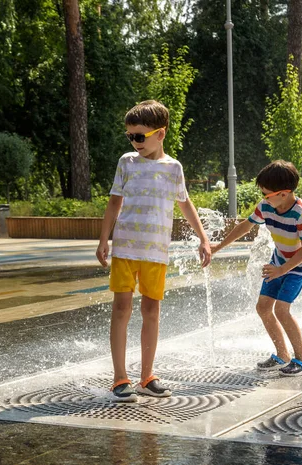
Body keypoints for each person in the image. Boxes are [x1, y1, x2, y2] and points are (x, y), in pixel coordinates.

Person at [96, 100, 212, 402]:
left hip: (156, 252)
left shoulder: (173, 168)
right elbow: (114, 202)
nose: (135, 143)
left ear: (160, 134)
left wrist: (203, 238)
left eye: (140, 136)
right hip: (126, 248)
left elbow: (185, 203)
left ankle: (147, 377)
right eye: (130, 136)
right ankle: (120, 378)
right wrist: (103, 239)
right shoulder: (127, 162)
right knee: (122, 309)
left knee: (152, 311)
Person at [211, 160, 302, 377]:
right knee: (263, 307)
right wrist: (218, 247)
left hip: (296, 267)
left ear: (284, 194)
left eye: (267, 194)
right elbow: (245, 226)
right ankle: (282, 355)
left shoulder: (300, 213)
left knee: (282, 310)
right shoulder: (266, 206)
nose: (263, 198)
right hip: (277, 262)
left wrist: (282, 270)